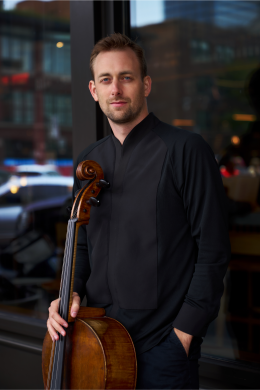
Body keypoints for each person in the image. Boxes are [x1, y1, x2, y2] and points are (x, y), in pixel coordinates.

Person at [47, 33, 230, 389]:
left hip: (162, 346)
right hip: (96, 338)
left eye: (126, 77)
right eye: (106, 79)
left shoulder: (186, 150)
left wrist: (184, 335)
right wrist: (70, 290)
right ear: (93, 90)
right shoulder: (90, 161)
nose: (116, 88)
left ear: (145, 85)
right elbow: (82, 245)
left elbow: (213, 249)